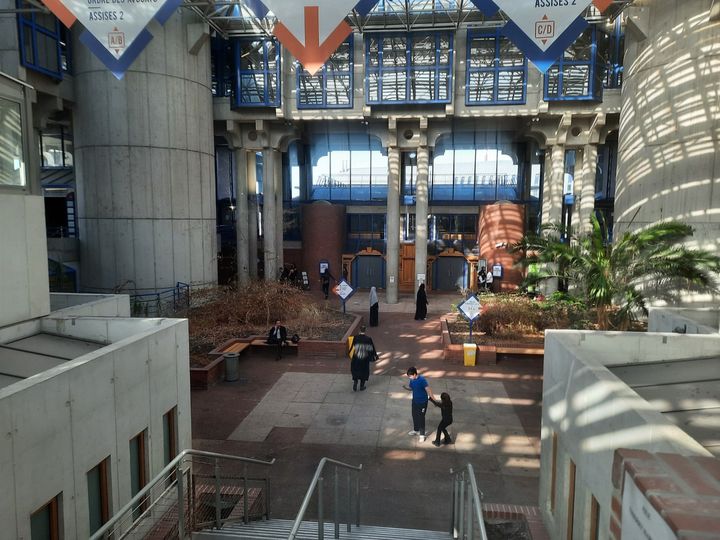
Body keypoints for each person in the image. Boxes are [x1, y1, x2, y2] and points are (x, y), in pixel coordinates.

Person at [404, 366, 435, 442]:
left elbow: (428, 390)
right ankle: (416, 430)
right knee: (414, 415)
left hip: (422, 403)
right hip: (414, 401)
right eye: (409, 377)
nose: (410, 378)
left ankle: (422, 435)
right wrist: (406, 388)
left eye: (410, 376)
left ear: (415, 374)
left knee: (421, 418)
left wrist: (434, 400)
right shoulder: (412, 380)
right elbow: (412, 388)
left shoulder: (422, 380)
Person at [349, 326, 378, 391]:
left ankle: (355, 382)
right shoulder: (368, 339)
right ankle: (362, 386)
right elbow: (371, 348)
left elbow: (353, 345)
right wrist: (374, 355)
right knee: (364, 371)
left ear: (359, 330)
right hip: (365, 358)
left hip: (356, 357)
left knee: (355, 369)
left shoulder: (355, 337)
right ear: (365, 330)